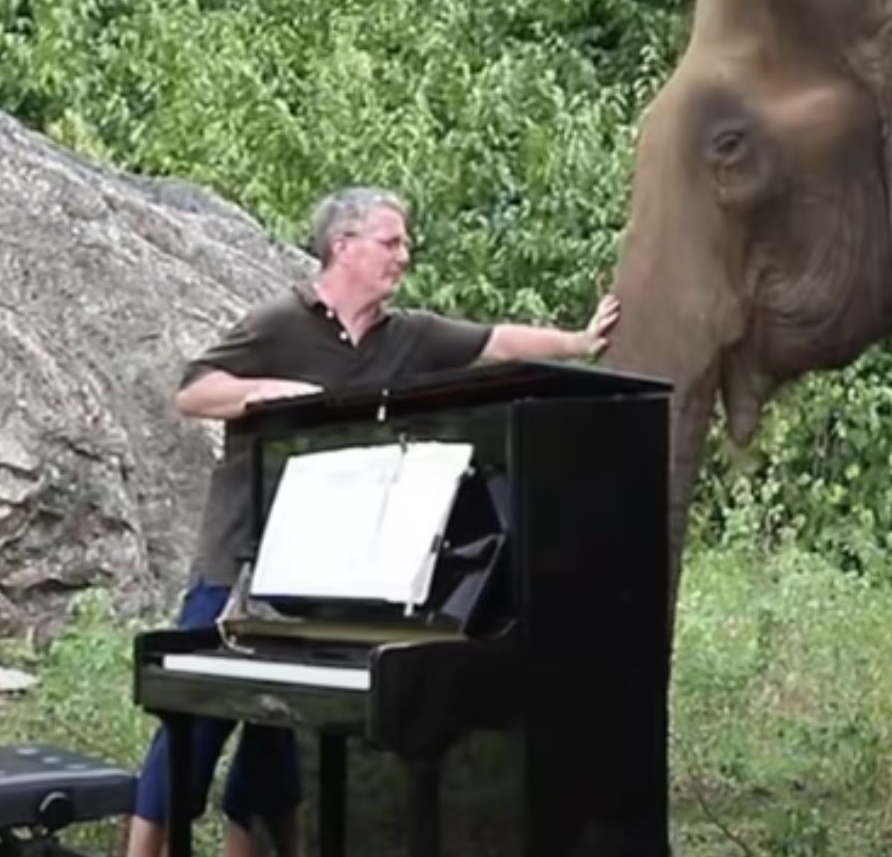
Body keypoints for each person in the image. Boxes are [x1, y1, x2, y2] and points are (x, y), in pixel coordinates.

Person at [125, 185, 620, 857]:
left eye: (404, 242)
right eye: (391, 242)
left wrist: (579, 340)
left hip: (320, 574)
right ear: (343, 247)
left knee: (275, 747)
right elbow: (193, 391)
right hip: (236, 560)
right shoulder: (280, 323)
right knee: (191, 730)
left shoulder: (408, 336)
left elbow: (497, 342)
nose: (404, 255)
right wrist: (260, 391)